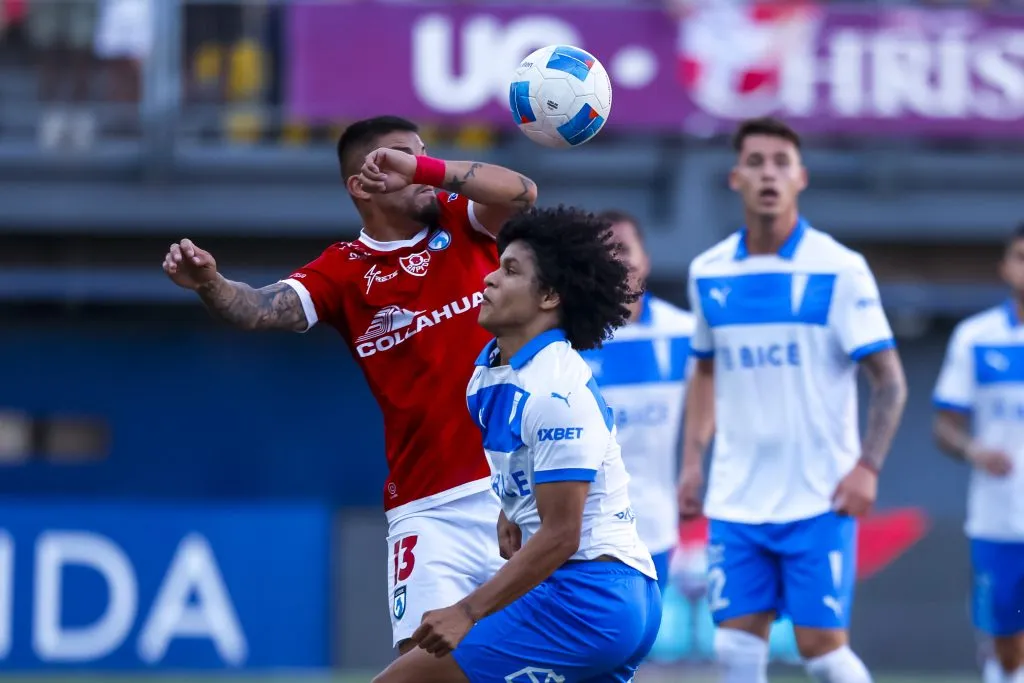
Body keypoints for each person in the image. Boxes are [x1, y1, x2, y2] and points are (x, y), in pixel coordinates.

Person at [161, 115, 538, 651]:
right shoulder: (343, 271)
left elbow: (523, 193)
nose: (418, 168)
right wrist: (210, 283)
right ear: (361, 185)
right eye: (397, 159)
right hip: (428, 508)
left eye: (421, 154)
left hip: (518, 490)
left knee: (548, 660)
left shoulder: (462, 221)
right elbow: (260, 309)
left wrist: (424, 168)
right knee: (423, 662)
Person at [373, 206, 662, 683]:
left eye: (510, 270)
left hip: (589, 598)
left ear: (549, 295)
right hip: (605, 597)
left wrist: (465, 612)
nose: (488, 279)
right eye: (496, 263)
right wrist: (513, 508)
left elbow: (562, 534)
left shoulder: (556, 391)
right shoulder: (490, 372)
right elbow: (534, 471)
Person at [677, 117, 908, 683]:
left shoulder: (839, 269)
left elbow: (891, 380)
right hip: (737, 498)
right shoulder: (708, 273)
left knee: (823, 652)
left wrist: (868, 467)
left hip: (819, 494)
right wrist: (690, 463)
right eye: (755, 162)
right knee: (735, 650)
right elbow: (704, 372)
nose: (768, 174)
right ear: (735, 178)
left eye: (781, 162)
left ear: (801, 177)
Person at [580, 209, 695, 593]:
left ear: (645, 259)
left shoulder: (685, 333)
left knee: (632, 645)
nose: (618, 260)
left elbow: (716, 394)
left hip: (655, 526)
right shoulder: (567, 342)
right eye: (606, 252)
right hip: (581, 528)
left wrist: (694, 463)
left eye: (625, 249)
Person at [932, 223, 1024, 683]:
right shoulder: (976, 337)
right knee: (1007, 642)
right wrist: (974, 449)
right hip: (1000, 519)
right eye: (1022, 257)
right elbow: (945, 426)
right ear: (1006, 267)